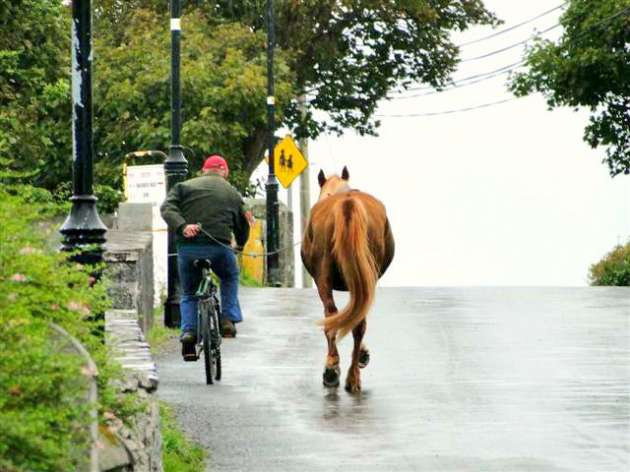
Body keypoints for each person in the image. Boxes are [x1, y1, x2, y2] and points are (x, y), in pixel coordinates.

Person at [160, 154, 251, 348]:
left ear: (203, 170)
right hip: (220, 249)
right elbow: (242, 225)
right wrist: (240, 245)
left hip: (189, 248)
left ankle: (189, 332)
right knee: (229, 276)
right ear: (225, 172)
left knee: (189, 293)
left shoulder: (184, 186)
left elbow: (167, 208)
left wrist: (183, 226)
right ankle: (228, 319)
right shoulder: (232, 192)